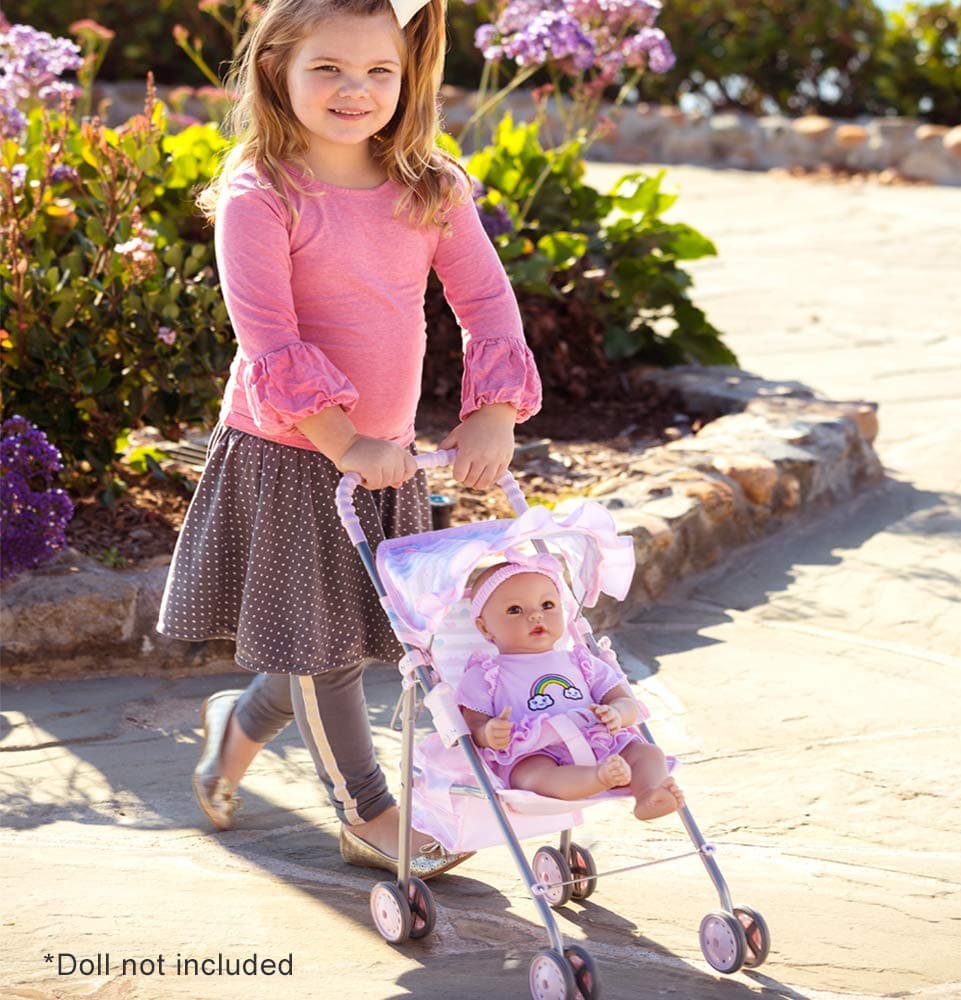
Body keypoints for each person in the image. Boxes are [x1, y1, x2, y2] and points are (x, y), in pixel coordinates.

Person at [157, 0, 542, 880]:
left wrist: (493, 410)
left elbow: (484, 302)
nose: (354, 90)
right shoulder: (262, 196)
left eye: (379, 71)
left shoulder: (429, 186)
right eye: (327, 68)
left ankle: (234, 727)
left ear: (409, 77)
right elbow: (271, 341)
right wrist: (343, 440)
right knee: (324, 651)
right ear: (278, 69)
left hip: (384, 457)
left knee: (335, 640)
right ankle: (369, 812)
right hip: (292, 454)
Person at [456, 555, 684, 821]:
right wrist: (489, 733)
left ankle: (650, 794)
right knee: (533, 777)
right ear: (484, 628)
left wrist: (618, 713)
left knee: (647, 752)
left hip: (601, 743)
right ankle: (598, 778)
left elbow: (626, 701)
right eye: (515, 610)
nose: (536, 615)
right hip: (536, 751)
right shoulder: (485, 674)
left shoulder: (581, 661)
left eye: (548, 604)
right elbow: (472, 726)